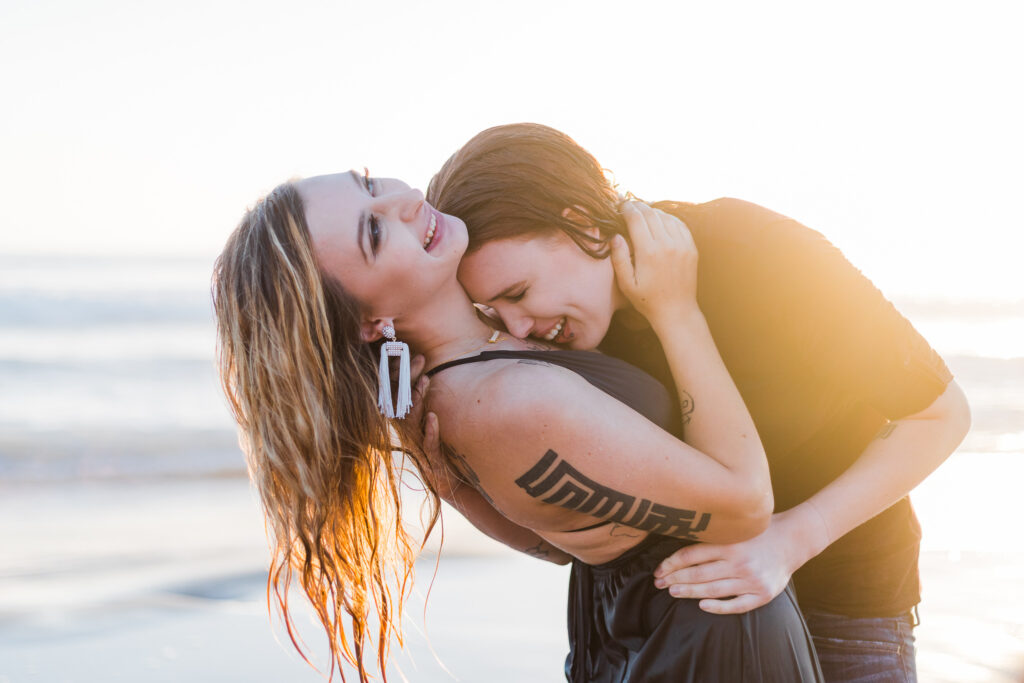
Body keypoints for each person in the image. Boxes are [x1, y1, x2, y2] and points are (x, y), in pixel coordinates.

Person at [212, 172, 824, 682]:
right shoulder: (504, 399)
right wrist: (676, 309)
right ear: (371, 322)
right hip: (703, 637)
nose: (401, 201)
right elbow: (745, 507)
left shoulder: (471, 367)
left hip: (663, 625)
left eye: (370, 182)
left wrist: (451, 486)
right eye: (375, 231)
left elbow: (559, 538)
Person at [425, 123, 972, 683]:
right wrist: (455, 484)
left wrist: (788, 541)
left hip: (841, 614)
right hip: (641, 628)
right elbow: (567, 544)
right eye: (492, 311)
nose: (518, 327)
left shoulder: (752, 251)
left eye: (517, 293)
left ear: (579, 223)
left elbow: (939, 414)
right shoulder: (548, 344)